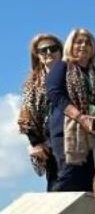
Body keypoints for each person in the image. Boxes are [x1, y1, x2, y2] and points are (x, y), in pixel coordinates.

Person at [46, 28, 95, 192]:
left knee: (89, 179)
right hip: (67, 131)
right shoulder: (62, 66)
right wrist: (81, 118)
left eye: (88, 43)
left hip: (92, 132)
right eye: (78, 42)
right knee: (69, 176)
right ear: (70, 45)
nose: (83, 46)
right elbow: (55, 93)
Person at [18, 32, 63, 188]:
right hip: (48, 144)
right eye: (43, 50)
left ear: (61, 51)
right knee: (57, 187)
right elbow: (26, 117)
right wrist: (36, 144)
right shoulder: (32, 83)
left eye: (53, 48)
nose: (49, 53)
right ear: (37, 55)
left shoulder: (72, 75)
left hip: (74, 138)